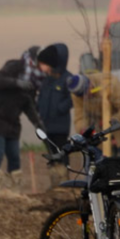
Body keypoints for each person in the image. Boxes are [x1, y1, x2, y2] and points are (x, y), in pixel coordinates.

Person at [0, 54, 43, 194]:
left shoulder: (35, 81)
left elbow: (29, 106)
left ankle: (13, 192)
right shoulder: (14, 67)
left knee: (14, 157)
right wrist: (16, 83)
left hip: (11, 125)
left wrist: (38, 124)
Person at [68, 71, 120, 157]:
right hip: (101, 133)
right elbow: (79, 117)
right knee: (96, 157)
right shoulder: (77, 95)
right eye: (83, 96)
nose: (87, 97)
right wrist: (83, 130)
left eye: (87, 92)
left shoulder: (110, 82)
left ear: (89, 83)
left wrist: (112, 121)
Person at [35, 44, 73, 188]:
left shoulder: (67, 78)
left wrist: (60, 108)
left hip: (60, 126)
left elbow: (72, 99)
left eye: (43, 64)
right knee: (51, 156)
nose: (41, 67)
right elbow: (42, 98)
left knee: (62, 154)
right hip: (46, 125)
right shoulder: (47, 79)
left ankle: (64, 184)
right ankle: (55, 185)